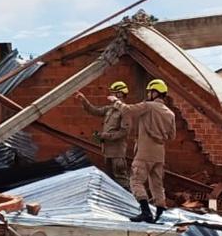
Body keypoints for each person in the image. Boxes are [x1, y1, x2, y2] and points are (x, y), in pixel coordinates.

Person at [109, 79, 176, 223]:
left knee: (136, 181)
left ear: (155, 92)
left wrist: (116, 101)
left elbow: (128, 109)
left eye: (150, 91)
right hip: (159, 154)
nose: (148, 94)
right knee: (157, 185)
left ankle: (145, 212)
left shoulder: (149, 106)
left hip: (145, 152)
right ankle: (160, 213)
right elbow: (172, 136)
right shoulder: (170, 114)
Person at [74, 81, 131, 191]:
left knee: (121, 180)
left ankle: (129, 203)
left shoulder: (125, 111)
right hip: (107, 151)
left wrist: (105, 135)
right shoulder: (110, 109)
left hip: (117, 153)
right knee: (109, 180)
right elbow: (95, 111)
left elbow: (123, 133)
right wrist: (84, 101)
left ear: (120, 94)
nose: (110, 96)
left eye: (113, 93)